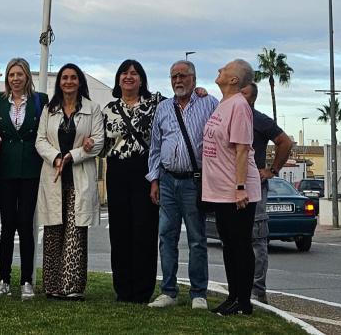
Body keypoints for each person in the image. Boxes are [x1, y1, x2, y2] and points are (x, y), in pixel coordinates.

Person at [146, 59, 218, 310]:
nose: (178, 80)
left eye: (183, 76)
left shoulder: (209, 103)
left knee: (197, 239)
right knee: (166, 236)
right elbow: (155, 146)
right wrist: (154, 178)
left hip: (194, 181)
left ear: (194, 79)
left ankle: (199, 293)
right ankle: (168, 291)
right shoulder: (163, 108)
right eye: (174, 76)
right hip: (167, 179)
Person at [35, 63, 104, 300]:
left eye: (73, 77)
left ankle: (72, 286)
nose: (68, 82)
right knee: (53, 231)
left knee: (75, 232)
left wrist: (73, 155)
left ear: (80, 82)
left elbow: (98, 142)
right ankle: (52, 285)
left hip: (78, 176)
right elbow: (40, 140)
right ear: (59, 82)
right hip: (54, 176)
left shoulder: (92, 108)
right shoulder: (49, 109)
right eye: (64, 78)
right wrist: (55, 158)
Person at [102, 59, 164, 303]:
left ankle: (142, 289)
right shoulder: (108, 109)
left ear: (142, 79)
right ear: (118, 79)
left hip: (144, 171)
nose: (129, 77)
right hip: (116, 171)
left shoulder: (155, 104)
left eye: (134, 73)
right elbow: (101, 144)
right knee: (119, 233)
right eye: (124, 73)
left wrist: (200, 93)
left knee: (144, 231)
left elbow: (181, 103)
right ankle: (123, 289)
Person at [203, 59, 261, 317]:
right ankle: (233, 296)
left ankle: (243, 301)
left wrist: (239, 187)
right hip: (220, 189)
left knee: (239, 244)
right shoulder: (223, 105)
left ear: (234, 80)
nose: (219, 71)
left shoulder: (239, 105)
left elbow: (241, 149)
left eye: (224, 69)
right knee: (228, 243)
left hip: (235, 190)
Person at [0, 56, 46, 299]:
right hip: (6, 168)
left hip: (31, 168)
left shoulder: (39, 100)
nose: (15, 79)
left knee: (25, 224)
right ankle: (3, 279)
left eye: (19, 74)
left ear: (27, 77)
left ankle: (26, 281)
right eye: (11, 75)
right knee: (7, 225)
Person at [240, 82, 294, 303]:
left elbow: (285, 141)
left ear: (252, 99)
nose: (238, 97)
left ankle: (257, 292)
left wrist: (271, 170)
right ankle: (240, 289)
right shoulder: (226, 115)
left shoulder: (258, 119)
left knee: (257, 238)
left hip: (255, 187)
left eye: (243, 94)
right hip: (233, 187)